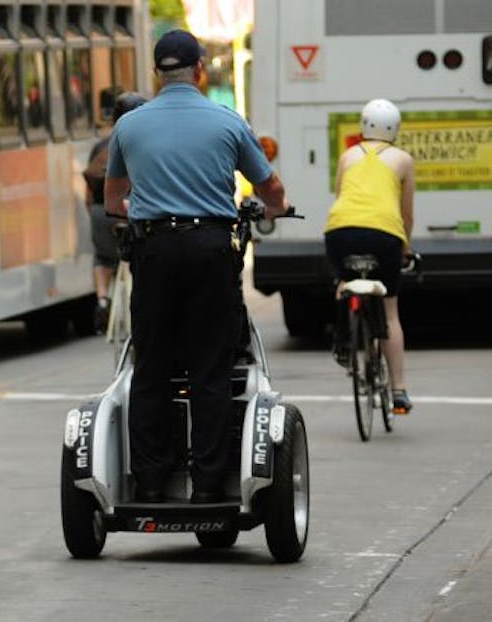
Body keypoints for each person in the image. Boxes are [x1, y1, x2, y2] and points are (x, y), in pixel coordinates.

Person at [104, 30, 288, 504]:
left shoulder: (129, 126)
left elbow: (113, 200)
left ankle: (149, 480)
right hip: (210, 249)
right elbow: (270, 190)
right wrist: (274, 207)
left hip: (155, 251)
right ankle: (208, 484)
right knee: (211, 366)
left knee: (153, 365)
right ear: (200, 70)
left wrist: (144, 207)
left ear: (156, 75)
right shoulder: (227, 121)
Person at [324, 98, 416, 414]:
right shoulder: (403, 159)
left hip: (340, 230)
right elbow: (406, 215)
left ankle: (343, 338)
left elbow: (340, 197)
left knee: (343, 280)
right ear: (395, 128)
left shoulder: (349, 155)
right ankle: (399, 391)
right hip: (385, 234)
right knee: (390, 311)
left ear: (364, 125)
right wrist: (405, 249)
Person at [83, 92, 147, 333]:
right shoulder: (142, 141)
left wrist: (94, 213)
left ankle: (102, 298)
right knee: (142, 253)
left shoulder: (100, 146)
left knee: (102, 257)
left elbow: (89, 192)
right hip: (132, 208)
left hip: (101, 212)